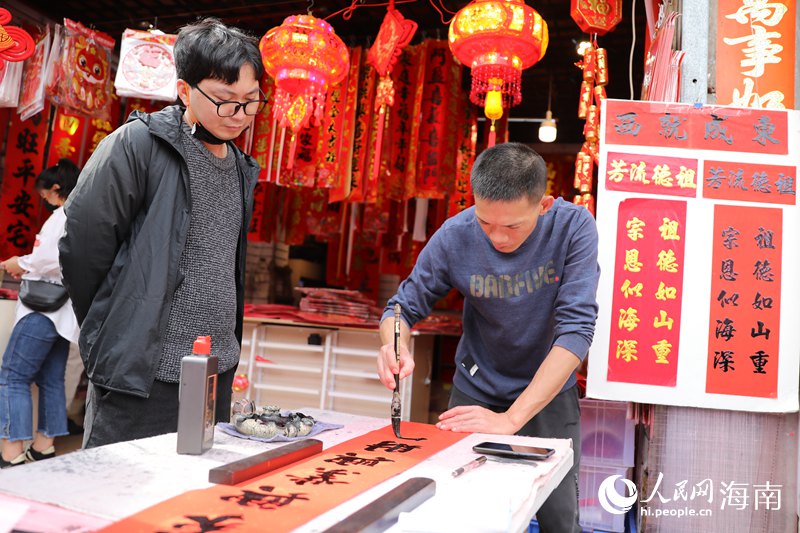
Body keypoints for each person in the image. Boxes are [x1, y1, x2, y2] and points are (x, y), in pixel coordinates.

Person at [58, 18, 264, 448]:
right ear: (186, 90)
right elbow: (82, 247)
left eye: (251, 101)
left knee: (194, 504)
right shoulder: (138, 145)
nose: (240, 115)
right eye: (226, 101)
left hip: (215, 373)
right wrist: (115, 328)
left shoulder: (242, 169)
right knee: (119, 497)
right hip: (141, 376)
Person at [377, 142, 600, 533]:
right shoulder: (456, 234)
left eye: (512, 226)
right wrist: (395, 345)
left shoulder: (573, 227)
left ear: (543, 205)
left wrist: (512, 419)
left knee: (559, 517)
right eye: (485, 223)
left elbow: (577, 329)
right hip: (477, 388)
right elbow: (401, 307)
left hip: (547, 392)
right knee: (468, 509)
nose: (497, 238)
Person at [0, 159, 81, 468]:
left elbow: (48, 259)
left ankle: (11, 451)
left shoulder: (61, 216)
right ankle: (43, 446)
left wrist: (20, 263)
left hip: (42, 311)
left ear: (56, 189)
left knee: (12, 377)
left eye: (45, 194)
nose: (43, 199)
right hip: (62, 313)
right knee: (51, 379)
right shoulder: (79, 216)